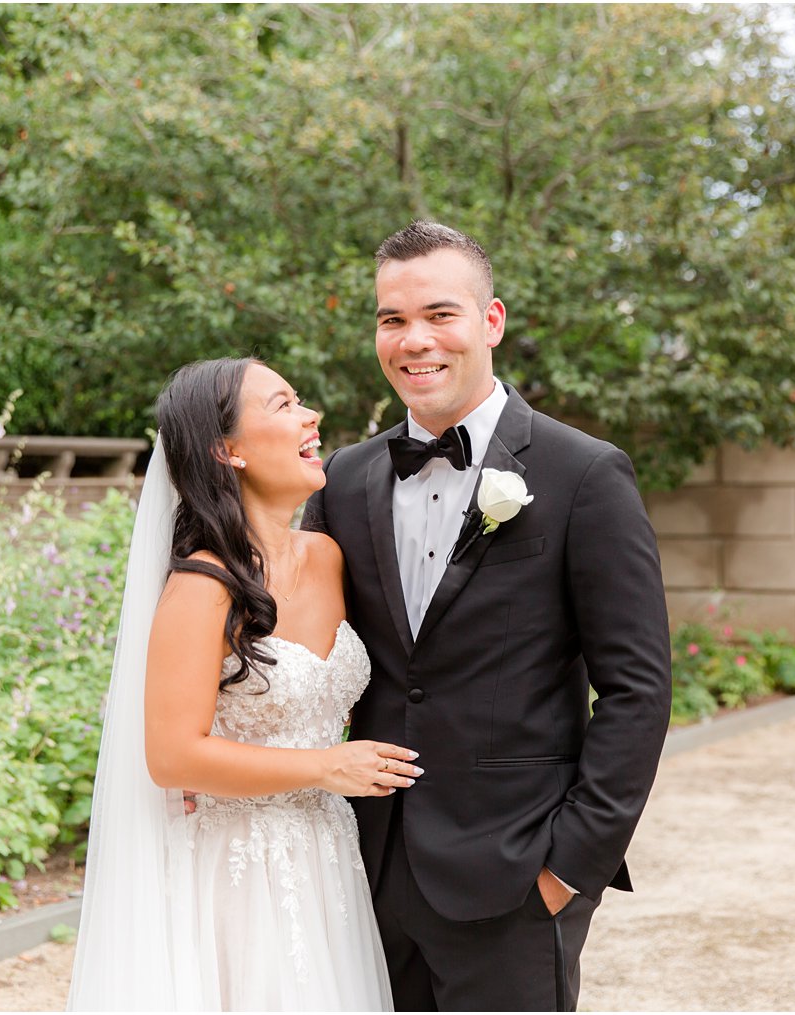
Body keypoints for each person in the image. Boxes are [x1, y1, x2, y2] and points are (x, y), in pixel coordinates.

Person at [303, 220, 673, 1011]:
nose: (414, 340)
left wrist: (569, 867)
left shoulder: (584, 475)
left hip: (516, 875)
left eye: (441, 314)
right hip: (367, 868)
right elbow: (295, 643)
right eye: (391, 319)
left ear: (491, 321)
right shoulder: (345, 478)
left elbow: (638, 690)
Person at [66, 358, 409, 1011]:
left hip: (330, 855)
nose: (311, 417)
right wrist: (323, 764)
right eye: (283, 405)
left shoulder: (328, 555)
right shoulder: (202, 585)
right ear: (228, 450)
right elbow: (172, 756)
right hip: (240, 872)